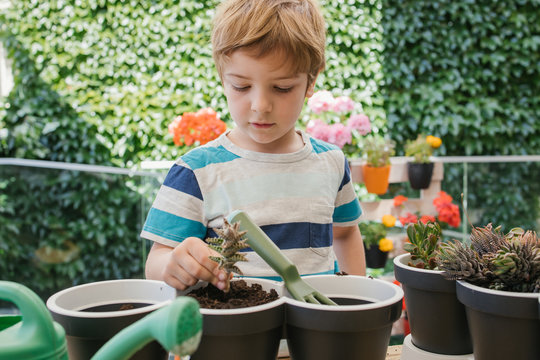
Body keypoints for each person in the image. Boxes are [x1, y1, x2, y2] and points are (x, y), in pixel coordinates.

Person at [142, 0, 366, 291]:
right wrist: (173, 264)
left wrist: (359, 298)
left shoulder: (331, 162)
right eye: (241, 86)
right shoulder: (196, 171)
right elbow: (157, 261)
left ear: (311, 81)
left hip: (315, 332)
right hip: (235, 332)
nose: (261, 106)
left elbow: (346, 234)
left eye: (282, 88)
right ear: (222, 77)